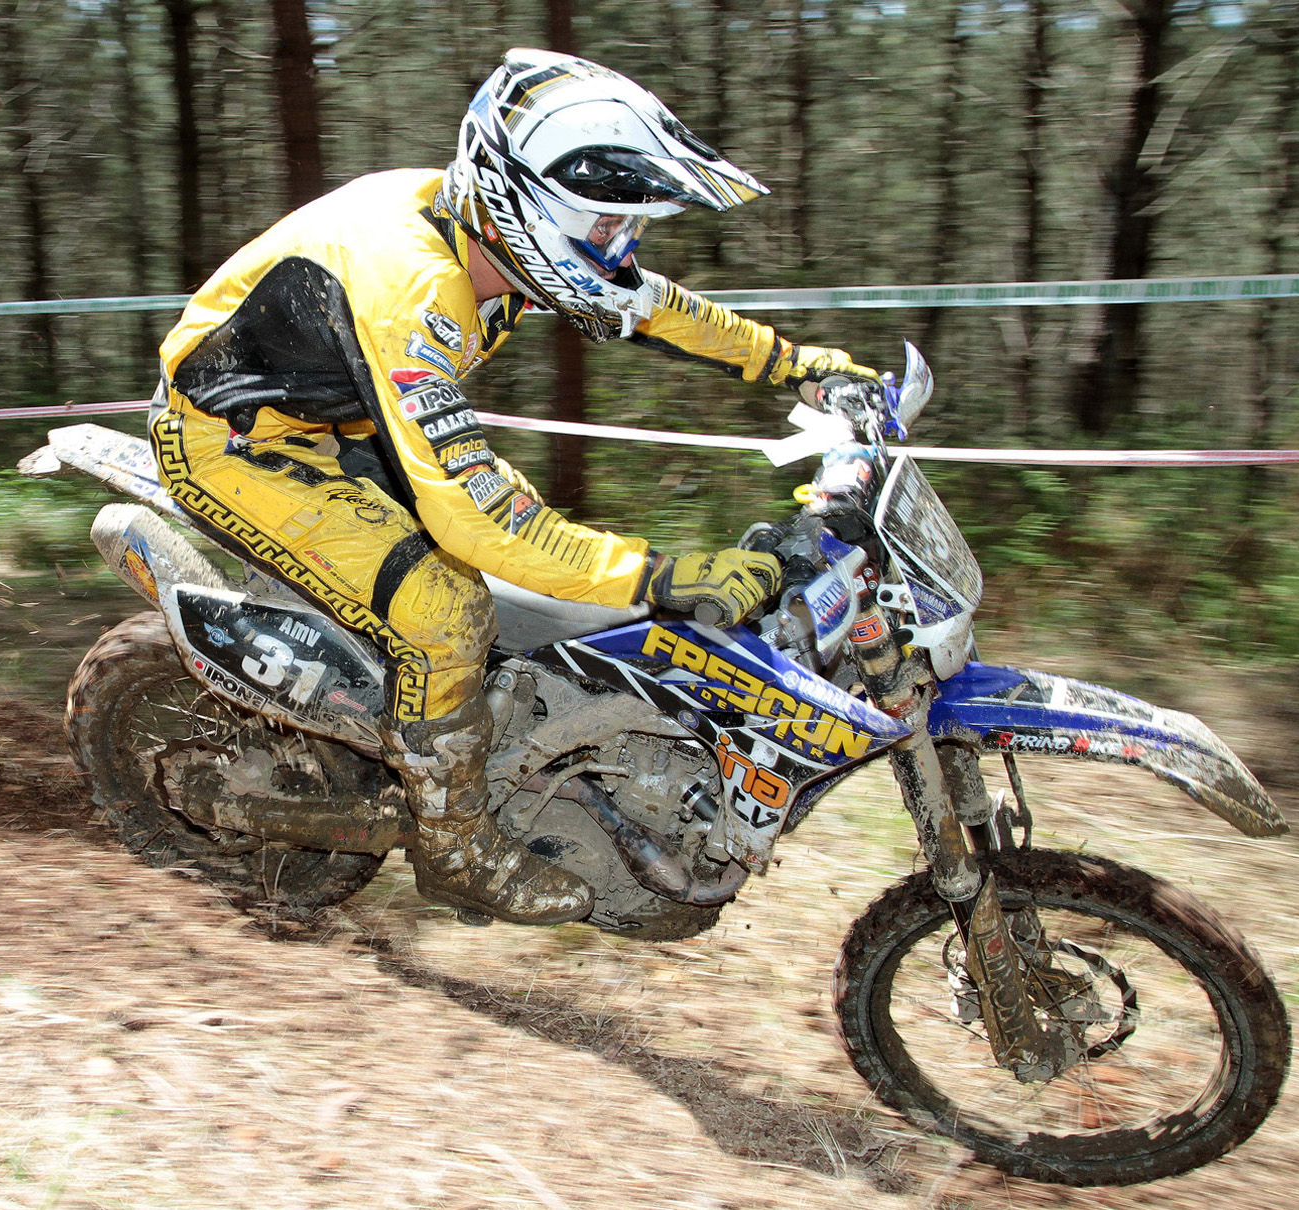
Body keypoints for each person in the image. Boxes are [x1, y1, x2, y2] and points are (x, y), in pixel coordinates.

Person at [151, 48, 883, 927]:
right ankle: (454, 843)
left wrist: (797, 366)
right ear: (526, 204)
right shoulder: (414, 283)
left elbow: (657, 306)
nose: (624, 249)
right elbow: (476, 520)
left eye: (629, 230)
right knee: (445, 606)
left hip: (342, 421)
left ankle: (478, 742)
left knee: (531, 582)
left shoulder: (493, 232)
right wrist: (660, 577)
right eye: (609, 229)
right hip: (235, 443)